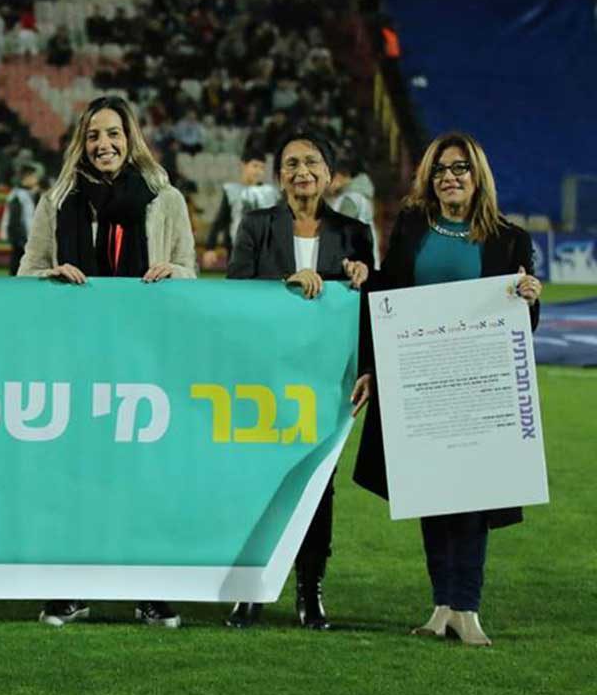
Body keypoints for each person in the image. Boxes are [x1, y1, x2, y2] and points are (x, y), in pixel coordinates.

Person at [353, 132, 542, 647]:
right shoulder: (412, 225)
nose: (449, 177)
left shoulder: (510, 238)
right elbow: (387, 297)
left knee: (474, 498)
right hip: (418, 384)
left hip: (480, 389)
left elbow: (524, 324)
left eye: (459, 168)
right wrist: (370, 361)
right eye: (439, 170)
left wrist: (530, 297)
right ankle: (441, 606)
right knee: (430, 494)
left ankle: (468, 608)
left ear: (478, 175)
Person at [17, 95, 196, 629]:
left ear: (130, 137)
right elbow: (27, 274)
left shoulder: (165, 199)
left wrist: (174, 275)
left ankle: (150, 589)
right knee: (78, 476)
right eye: (94, 135)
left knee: (144, 477)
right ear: (82, 143)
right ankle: (72, 588)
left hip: (145, 361)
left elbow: (189, 271)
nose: (104, 144)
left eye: (113, 133)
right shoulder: (57, 201)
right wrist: (49, 277)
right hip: (76, 361)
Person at [224, 128, 373, 630]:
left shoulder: (354, 233)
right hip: (263, 377)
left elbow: (367, 304)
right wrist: (282, 285)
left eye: (311, 162)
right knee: (258, 481)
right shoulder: (256, 225)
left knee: (318, 485)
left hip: (324, 381)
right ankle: (250, 590)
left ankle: (310, 591)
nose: (301, 171)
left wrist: (362, 277)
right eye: (291, 163)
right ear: (279, 175)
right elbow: (236, 293)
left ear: (329, 174)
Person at [201, 148, 275, 270]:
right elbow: (221, 220)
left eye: (262, 168)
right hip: (236, 250)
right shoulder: (231, 191)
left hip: (264, 252)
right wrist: (210, 248)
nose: (258, 171)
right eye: (255, 166)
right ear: (243, 165)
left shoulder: (270, 193)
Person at [0, 160, 42, 276]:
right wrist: (21, 241)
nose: (36, 180)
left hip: (27, 238)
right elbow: (15, 222)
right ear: (26, 177)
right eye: (33, 176)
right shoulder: (17, 196)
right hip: (20, 239)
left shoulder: (29, 194)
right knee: (17, 267)